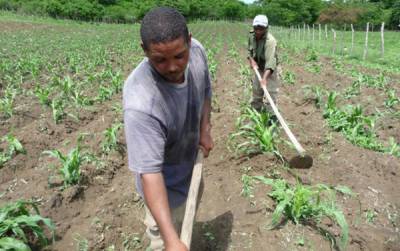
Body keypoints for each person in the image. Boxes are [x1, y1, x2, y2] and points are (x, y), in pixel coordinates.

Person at [123, 7, 213, 251]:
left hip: (189, 168)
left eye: (179, 56)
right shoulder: (141, 102)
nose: (173, 67)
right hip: (162, 189)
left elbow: (205, 90)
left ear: (189, 42)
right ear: (144, 51)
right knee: (165, 240)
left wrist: (205, 128)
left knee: (188, 218)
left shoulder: (198, 53)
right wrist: (171, 240)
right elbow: (150, 173)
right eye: (160, 60)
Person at [247, 14, 279, 122]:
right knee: (256, 91)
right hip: (258, 68)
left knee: (270, 93)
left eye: (261, 28)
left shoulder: (270, 41)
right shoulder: (251, 36)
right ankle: (255, 114)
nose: (258, 31)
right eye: (256, 28)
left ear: (266, 28)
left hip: (269, 70)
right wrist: (252, 61)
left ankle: (272, 119)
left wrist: (264, 79)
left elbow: (270, 62)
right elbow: (250, 52)